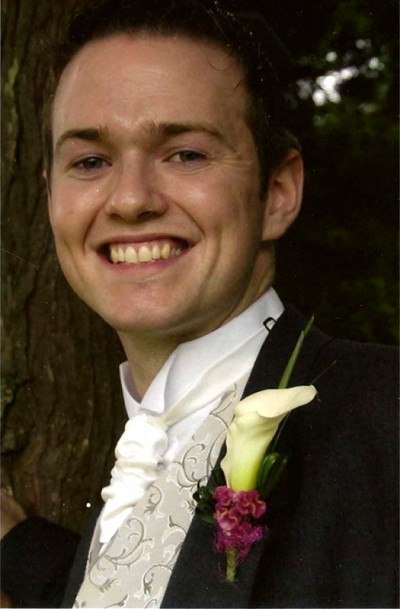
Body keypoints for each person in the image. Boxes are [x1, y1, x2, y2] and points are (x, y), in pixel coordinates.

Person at [1, 0, 398, 607]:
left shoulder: (385, 416)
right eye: (90, 162)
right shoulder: (134, 453)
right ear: (52, 199)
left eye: (185, 153)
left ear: (278, 193)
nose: (130, 200)